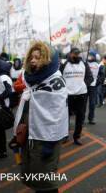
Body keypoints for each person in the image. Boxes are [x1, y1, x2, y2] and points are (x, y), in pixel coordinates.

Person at [9, 41, 68, 192]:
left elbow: (58, 116)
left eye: (38, 57)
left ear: (48, 59)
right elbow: (28, 106)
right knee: (36, 177)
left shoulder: (55, 80)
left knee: (46, 182)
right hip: (31, 136)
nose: (33, 61)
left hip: (46, 139)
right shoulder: (32, 79)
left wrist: (50, 143)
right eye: (31, 57)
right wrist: (18, 132)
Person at [60, 47, 93, 145]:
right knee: (65, 117)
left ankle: (77, 137)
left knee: (80, 117)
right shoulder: (64, 64)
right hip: (68, 95)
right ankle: (64, 136)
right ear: (70, 54)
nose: (76, 55)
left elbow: (90, 77)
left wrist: (83, 85)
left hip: (81, 95)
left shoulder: (84, 64)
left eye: (78, 54)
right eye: (74, 53)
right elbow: (59, 77)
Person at [87, 51, 100, 125]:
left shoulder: (98, 65)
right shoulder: (85, 63)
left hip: (93, 86)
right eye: (89, 55)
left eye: (91, 55)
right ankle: (81, 118)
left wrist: (98, 82)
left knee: (92, 103)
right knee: (83, 104)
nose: (90, 57)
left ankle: (91, 118)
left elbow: (101, 75)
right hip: (85, 86)